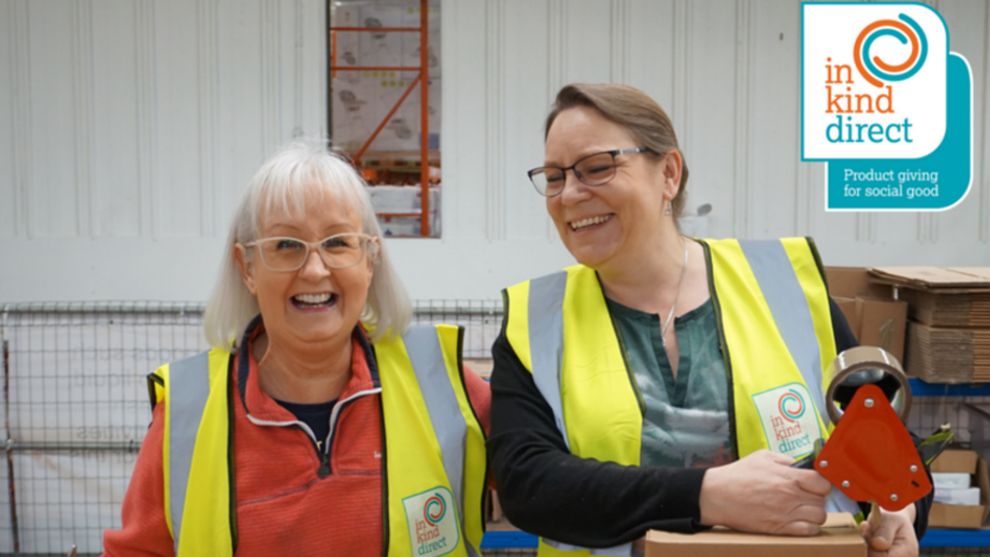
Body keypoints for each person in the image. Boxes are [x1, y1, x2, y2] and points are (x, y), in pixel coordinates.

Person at [487, 83, 930, 557]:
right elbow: (529, 482)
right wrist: (707, 496)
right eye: (554, 177)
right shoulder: (536, 321)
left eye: (597, 168)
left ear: (669, 174)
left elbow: (887, 440)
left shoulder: (784, 286)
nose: (570, 194)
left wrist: (899, 510)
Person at [103, 141, 489, 556]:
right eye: (286, 245)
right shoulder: (187, 414)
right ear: (247, 267)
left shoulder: (441, 384)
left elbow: (545, 473)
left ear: (370, 258)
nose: (315, 269)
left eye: (337, 242)